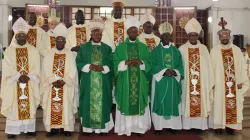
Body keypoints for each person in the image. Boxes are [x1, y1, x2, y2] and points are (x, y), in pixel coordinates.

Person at [0, 17, 40, 139]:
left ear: (26, 36)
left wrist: (28, 76)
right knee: (14, 105)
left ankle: (29, 128)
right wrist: (18, 76)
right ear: (15, 37)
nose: (21, 38)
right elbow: (7, 66)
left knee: (29, 103)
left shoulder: (33, 50)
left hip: (29, 81)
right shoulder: (9, 51)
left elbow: (36, 65)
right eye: (19, 36)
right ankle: (13, 130)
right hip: (14, 83)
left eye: (23, 36)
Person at [209, 18, 249, 135]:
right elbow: (211, 68)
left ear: (230, 37)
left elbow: (241, 66)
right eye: (222, 36)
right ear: (219, 37)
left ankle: (230, 126)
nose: (224, 38)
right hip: (219, 83)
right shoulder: (214, 51)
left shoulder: (236, 50)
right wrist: (212, 82)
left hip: (233, 83)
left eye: (226, 35)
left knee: (233, 104)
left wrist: (241, 80)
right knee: (218, 103)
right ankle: (218, 126)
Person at [113, 16, 152, 136]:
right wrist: (125, 62)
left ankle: (140, 128)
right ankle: (126, 128)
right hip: (125, 81)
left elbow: (149, 62)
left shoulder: (143, 47)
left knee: (139, 101)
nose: (133, 32)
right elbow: (115, 62)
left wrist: (141, 62)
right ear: (127, 32)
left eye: (135, 30)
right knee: (126, 101)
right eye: (131, 31)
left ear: (137, 32)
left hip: (140, 81)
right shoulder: (120, 47)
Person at [76, 16, 113, 136]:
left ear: (102, 35)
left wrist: (103, 68)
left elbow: (111, 63)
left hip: (103, 80)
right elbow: (78, 61)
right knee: (87, 102)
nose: (97, 36)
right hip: (88, 80)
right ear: (91, 34)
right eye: (94, 34)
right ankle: (88, 128)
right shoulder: (84, 47)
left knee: (103, 102)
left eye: (99, 34)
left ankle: (102, 129)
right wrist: (90, 66)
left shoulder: (107, 48)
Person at [41, 23, 78, 137]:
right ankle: (53, 128)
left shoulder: (70, 54)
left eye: (62, 40)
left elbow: (73, 70)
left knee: (66, 107)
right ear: (55, 41)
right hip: (52, 86)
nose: (60, 42)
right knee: (51, 107)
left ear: (65, 42)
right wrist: (53, 81)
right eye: (58, 40)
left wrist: (64, 80)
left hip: (65, 86)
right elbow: (45, 69)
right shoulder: (49, 54)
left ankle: (66, 128)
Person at [179, 18, 214, 135]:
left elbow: (208, 66)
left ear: (197, 36)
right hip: (187, 84)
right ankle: (188, 126)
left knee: (201, 103)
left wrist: (210, 81)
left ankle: (200, 126)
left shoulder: (204, 49)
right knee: (187, 102)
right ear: (188, 36)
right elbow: (179, 66)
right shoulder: (182, 49)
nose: (193, 37)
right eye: (190, 35)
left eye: (195, 35)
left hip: (201, 83)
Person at [151, 22, 184, 135]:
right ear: (160, 36)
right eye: (164, 35)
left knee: (173, 101)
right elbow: (152, 65)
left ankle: (173, 126)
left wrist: (176, 71)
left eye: (168, 35)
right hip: (160, 81)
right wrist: (165, 71)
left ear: (171, 36)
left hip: (173, 82)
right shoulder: (155, 51)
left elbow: (180, 65)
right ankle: (158, 127)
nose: (166, 37)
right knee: (160, 101)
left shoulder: (176, 51)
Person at [102, 0, 126, 104]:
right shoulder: (107, 23)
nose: (117, 12)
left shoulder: (127, 22)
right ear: (113, 11)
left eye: (119, 10)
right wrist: (113, 50)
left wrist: (123, 51)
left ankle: (122, 98)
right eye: (116, 10)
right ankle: (112, 101)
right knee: (111, 77)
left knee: (123, 77)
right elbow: (105, 38)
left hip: (124, 56)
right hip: (111, 55)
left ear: (122, 11)